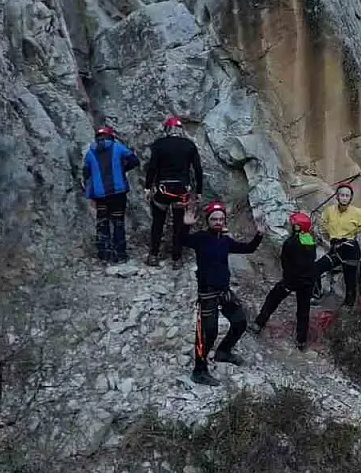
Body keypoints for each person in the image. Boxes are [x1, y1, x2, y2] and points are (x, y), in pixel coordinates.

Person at [178, 201, 262, 386]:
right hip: (207, 293)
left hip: (224, 291)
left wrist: (260, 234)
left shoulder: (225, 241)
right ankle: (199, 371)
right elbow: (181, 240)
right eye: (214, 219)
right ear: (208, 220)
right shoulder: (200, 238)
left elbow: (248, 248)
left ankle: (223, 352)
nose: (218, 222)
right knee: (209, 332)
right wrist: (186, 225)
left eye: (221, 219)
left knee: (240, 322)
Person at [250, 212, 333, 350]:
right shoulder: (310, 240)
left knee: (273, 299)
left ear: (297, 227)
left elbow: (285, 261)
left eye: (292, 224)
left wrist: (288, 280)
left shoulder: (290, 242)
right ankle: (301, 341)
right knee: (303, 310)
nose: (289, 226)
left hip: (292, 279)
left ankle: (259, 323)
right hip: (307, 281)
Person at [145, 116, 205, 269]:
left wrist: (147, 187)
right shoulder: (189, 145)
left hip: (162, 189)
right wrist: (199, 191)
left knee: (158, 222)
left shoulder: (159, 145)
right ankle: (177, 258)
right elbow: (198, 169)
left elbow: (152, 167)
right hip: (181, 190)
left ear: (167, 129)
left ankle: (153, 254)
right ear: (180, 130)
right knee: (179, 224)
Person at [82, 125, 139, 263]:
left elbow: (86, 172)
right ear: (111, 136)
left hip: (99, 194)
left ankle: (104, 253)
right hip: (118, 192)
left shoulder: (90, 153)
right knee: (118, 221)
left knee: (102, 222)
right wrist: (123, 168)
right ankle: (120, 254)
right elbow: (134, 160)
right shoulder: (117, 147)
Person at [317, 181, 361, 306]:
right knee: (317, 268)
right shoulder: (329, 211)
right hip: (336, 247)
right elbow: (322, 224)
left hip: (350, 247)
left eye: (347, 195)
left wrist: (357, 230)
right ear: (337, 196)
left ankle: (348, 308)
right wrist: (329, 237)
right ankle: (316, 295)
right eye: (341, 195)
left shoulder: (356, 212)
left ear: (351, 197)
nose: (344, 198)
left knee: (350, 282)